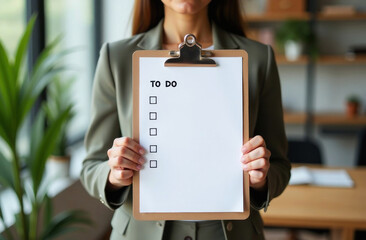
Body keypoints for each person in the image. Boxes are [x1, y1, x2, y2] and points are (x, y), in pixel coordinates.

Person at [80, 0, 291, 239]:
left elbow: (281, 166)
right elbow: (92, 165)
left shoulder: (258, 58)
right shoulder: (116, 58)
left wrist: (260, 180)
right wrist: (114, 174)